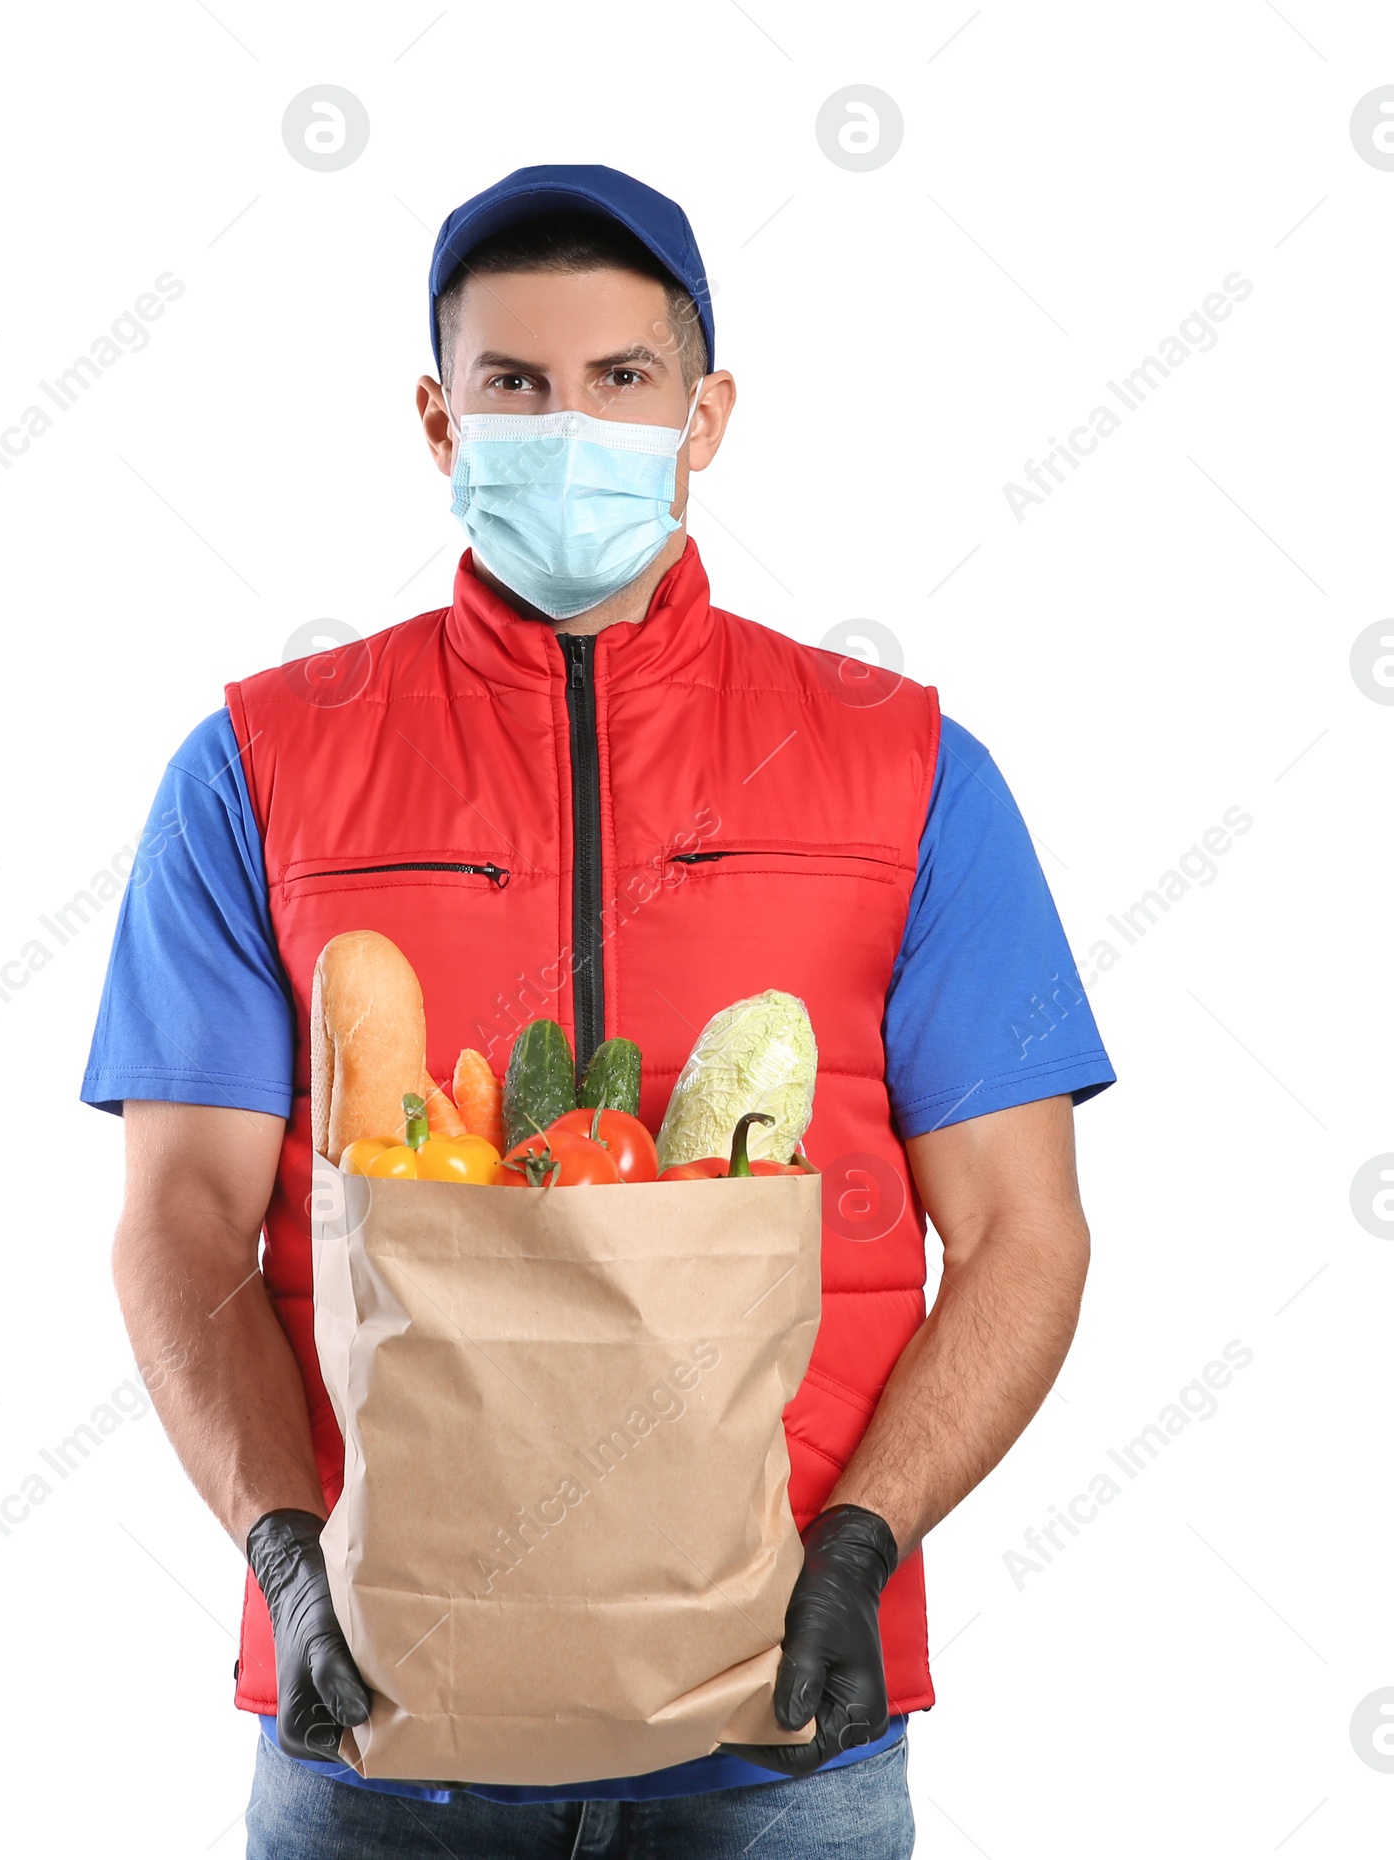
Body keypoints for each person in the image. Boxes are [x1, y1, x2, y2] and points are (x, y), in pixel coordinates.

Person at [85, 164, 1115, 1859]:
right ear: (438, 419)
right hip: (375, 1719)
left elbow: (1022, 1230)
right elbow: (183, 1218)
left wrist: (865, 1544)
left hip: (786, 1723)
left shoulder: (904, 766)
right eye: (516, 386)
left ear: (707, 416)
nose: (571, 427)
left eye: (622, 383)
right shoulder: (262, 768)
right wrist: (284, 1550)